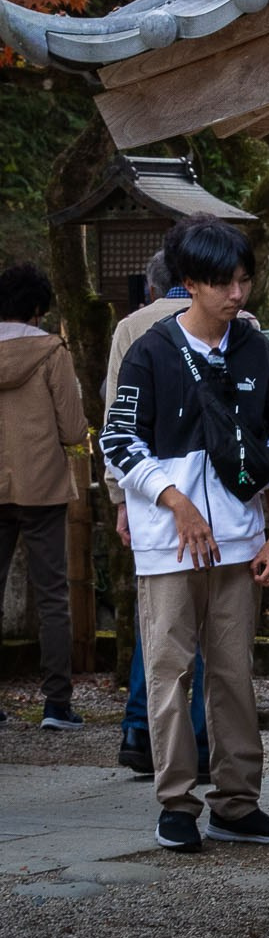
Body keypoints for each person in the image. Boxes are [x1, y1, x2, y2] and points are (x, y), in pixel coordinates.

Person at [100, 216, 269, 851]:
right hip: (168, 543)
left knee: (235, 672)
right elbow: (117, 440)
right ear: (190, 283)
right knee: (168, 671)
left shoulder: (256, 348)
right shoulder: (151, 349)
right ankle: (176, 804)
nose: (237, 294)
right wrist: (174, 503)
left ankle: (239, 803)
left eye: (243, 280)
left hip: (242, 540)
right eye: (223, 283)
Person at [104, 249, 207, 775]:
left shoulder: (132, 328)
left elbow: (114, 419)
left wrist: (120, 497)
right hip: (219, 495)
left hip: (150, 489)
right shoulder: (241, 325)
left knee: (161, 621)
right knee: (212, 624)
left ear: (152, 285)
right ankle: (204, 739)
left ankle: (139, 731)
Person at [0, 263, 89, 730]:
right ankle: (56, 704)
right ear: (37, 309)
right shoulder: (52, 351)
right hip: (42, 486)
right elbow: (74, 428)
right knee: (53, 595)